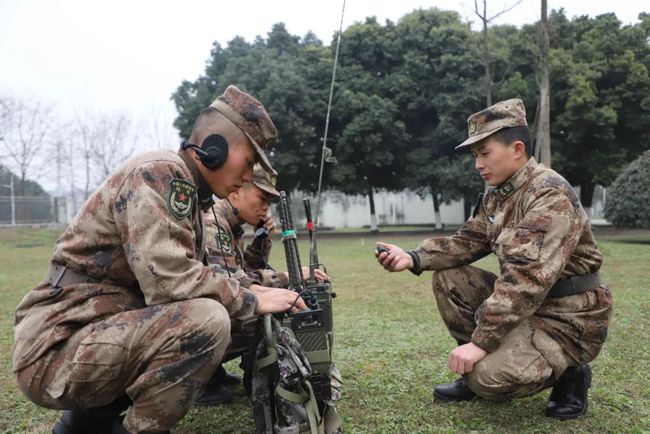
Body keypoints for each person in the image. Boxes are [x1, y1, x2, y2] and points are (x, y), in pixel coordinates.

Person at [12, 85, 306, 434]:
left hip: (84, 336)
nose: (247, 176)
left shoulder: (192, 197)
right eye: (248, 162)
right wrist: (250, 298)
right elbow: (171, 280)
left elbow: (203, 273)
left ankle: (86, 423)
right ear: (214, 149)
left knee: (225, 311)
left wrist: (256, 291)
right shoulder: (161, 174)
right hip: (54, 349)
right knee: (207, 318)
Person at [375, 98, 613, 420]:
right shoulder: (498, 193)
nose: (477, 164)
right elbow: (467, 242)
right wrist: (415, 258)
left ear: (516, 149)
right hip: (530, 307)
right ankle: (475, 371)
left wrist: (482, 342)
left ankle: (571, 373)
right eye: (475, 155)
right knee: (449, 278)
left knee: (488, 377)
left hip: (566, 317)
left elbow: (525, 280)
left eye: (484, 153)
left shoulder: (548, 194)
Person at [195, 164, 329, 405]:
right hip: (195, 323)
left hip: (205, 308)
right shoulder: (213, 224)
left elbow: (246, 268)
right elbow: (235, 284)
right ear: (236, 194)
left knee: (268, 305)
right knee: (263, 317)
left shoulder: (230, 224)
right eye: (262, 198)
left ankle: (213, 375)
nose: (267, 207)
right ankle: (200, 383)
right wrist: (290, 275)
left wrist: (262, 238)